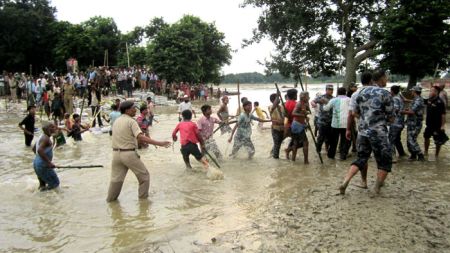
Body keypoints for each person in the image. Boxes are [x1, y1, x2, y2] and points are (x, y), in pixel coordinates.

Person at [339, 69, 394, 195]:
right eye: (386, 77)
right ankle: (376, 189)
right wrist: (381, 120)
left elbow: (354, 113)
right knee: (384, 161)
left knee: (361, 158)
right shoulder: (385, 93)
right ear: (380, 78)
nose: (387, 80)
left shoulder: (359, 93)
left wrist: (365, 119)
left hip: (363, 132)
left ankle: (345, 181)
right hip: (379, 132)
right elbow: (391, 117)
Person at [107, 101, 171, 202]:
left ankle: (110, 202)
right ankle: (143, 203)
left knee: (116, 181)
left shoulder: (117, 121)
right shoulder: (132, 121)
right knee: (144, 177)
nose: (135, 110)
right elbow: (140, 137)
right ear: (127, 110)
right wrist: (159, 143)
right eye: (133, 108)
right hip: (128, 153)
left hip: (116, 154)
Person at [323, 87, 351, 160]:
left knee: (333, 140)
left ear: (337, 93)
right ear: (345, 92)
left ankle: (331, 155)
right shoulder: (349, 100)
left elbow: (326, 109)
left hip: (335, 124)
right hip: (346, 123)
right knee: (344, 141)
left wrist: (323, 104)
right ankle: (343, 155)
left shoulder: (333, 100)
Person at [32, 122, 59, 191]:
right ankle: (47, 199)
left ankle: (39, 198)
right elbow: (40, 150)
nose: (55, 128)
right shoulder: (46, 139)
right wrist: (49, 163)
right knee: (55, 184)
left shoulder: (41, 136)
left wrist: (39, 160)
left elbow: (34, 149)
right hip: (43, 165)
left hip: (36, 163)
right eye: (53, 127)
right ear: (48, 129)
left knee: (42, 185)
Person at [402, 86, 425, 161]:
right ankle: (413, 155)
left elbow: (412, 112)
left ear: (414, 92)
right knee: (409, 139)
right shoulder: (416, 99)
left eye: (412, 91)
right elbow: (412, 109)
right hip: (411, 122)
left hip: (415, 123)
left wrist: (400, 111)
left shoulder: (418, 100)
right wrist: (406, 109)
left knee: (411, 139)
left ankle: (420, 154)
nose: (411, 92)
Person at [424, 85, 447, 158]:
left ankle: (436, 155)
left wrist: (442, 125)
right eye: (430, 90)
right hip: (429, 124)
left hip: (437, 125)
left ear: (436, 92)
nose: (430, 92)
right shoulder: (429, 100)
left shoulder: (440, 102)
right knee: (426, 137)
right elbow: (420, 100)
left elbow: (443, 115)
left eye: (432, 91)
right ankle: (426, 152)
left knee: (438, 141)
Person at [288, 91, 310, 163]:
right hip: (297, 125)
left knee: (296, 142)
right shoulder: (299, 103)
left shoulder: (305, 103)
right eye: (307, 97)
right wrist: (303, 115)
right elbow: (293, 113)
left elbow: (308, 111)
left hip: (299, 124)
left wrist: (307, 110)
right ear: (303, 97)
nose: (308, 98)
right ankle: (306, 161)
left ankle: (293, 160)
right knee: (305, 142)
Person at [313, 84, 334, 153]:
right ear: (326, 90)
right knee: (321, 137)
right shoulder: (321, 97)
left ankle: (327, 150)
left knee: (330, 137)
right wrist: (313, 104)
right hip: (322, 121)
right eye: (329, 89)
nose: (331, 91)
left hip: (331, 121)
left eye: (332, 89)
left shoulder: (334, 98)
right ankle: (318, 150)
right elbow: (313, 101)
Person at [388, 85, 407, 161]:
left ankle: (393, 157)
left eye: (390, 90)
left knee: (391, 140)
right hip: (401, 122)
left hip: (395, 123)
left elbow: (395, 110)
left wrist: (388, 117)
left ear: (392, 91)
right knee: (397, 139)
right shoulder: (400, 97)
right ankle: (402, 153)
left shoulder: (395, 99)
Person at [268, 93, 284, 159]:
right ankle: (275, 158)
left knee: (278, 143)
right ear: (273, 100)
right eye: (277, 99)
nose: (279, 99)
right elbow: (273, 108)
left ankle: (272, 153)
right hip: (275, 128)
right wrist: (277, 96)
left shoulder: (281, 107)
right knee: (277, 144)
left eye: (279, 98)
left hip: (282, 128)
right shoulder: (270, 107)